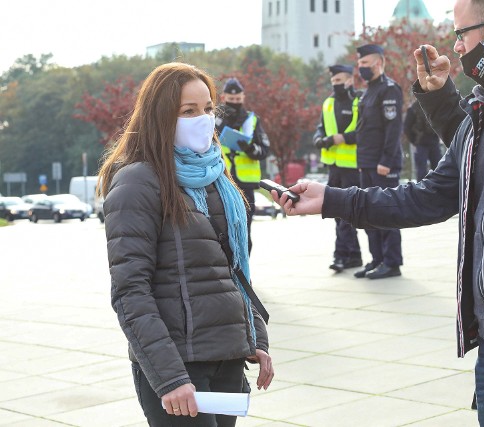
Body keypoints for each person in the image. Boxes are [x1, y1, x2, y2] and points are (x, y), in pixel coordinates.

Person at [271, 0, 484, 424]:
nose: (456, 48)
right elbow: (430, 196)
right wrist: (331, 199)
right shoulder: (483, 114)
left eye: (461, 35)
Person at [98, 63, 273, 426]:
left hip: (227, 359)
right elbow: (131, 292)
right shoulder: (137, 182)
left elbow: (233, 271)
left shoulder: (214, 174)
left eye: (209, 109)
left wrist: (256, 336)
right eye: (188, 111)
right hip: (178, 368)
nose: (204, 119)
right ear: (160, 116)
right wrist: (170, 378)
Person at [353, 43, 404, 280]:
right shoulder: (368, 91)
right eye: (359, 64)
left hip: (382, 164)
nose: (360, 68)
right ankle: (376, 259)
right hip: (367, 162)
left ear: (379, 63)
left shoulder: (389, 89)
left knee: (386, 212)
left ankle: (392, 262)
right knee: (368, 213)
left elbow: (393, 129)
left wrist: (386, 160)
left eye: (364, 63)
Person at [313, 64, 363, 273]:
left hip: (352, 166)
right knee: (337, 212)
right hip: (334, 167)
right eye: (333, 81)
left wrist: (341, 138)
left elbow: (364, 129)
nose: (336, 84)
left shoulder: (358, 100)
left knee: (346, 212)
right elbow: (321, 127)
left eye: (340, 80)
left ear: (350, 80)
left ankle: (341, 255)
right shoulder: (328, 103)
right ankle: (353, 255)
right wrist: (318, 139)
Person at [216, 77, 270, 254]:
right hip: (220, 180)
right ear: (223, 98)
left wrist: (249, 148)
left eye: (238, 100)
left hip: (245, 185)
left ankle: (244, 275)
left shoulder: (251, 121)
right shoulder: (214, 118)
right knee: (222, 231)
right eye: (231, 100)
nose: (235, 103)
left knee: (244, 231)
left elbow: (264, 150)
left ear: (243, 98)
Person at [403, 99, 442, 180]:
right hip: (421, 143)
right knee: (421, 173)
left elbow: (442, 122)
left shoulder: (435, 106)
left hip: (434, 142)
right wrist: (414, 140)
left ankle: (439, 191)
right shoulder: (414, 107)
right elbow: (406, 127)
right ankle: (422, 192)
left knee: (439, 171)